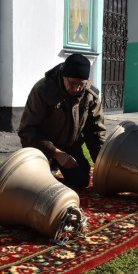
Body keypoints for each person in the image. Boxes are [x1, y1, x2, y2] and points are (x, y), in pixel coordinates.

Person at [18, 53, 106, 189]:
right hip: (42, 145)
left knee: (81, 181)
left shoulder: (90, 95)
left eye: (81, 84)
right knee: (36, 186)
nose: (76, 88)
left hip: (70, 146)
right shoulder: (43, 90)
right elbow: (27, 131)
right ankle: (46, 164)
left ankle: (53, 167)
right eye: (72, 83)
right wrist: (56, 153)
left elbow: (95, 131)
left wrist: (102, 164)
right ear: (64, 76)